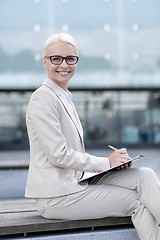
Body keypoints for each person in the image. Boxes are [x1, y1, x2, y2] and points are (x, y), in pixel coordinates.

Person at [25, 32, 160, 240]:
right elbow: (57, 155)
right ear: (45, 62)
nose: (64, 65)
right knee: (136, 201)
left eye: (70, 59)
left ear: (76, 62)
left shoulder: (63, 97)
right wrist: (105, 162)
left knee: (146, 176)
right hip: (56, 196)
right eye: (56, 59)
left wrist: (114, 165)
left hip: (77, 182)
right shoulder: (43, 97)